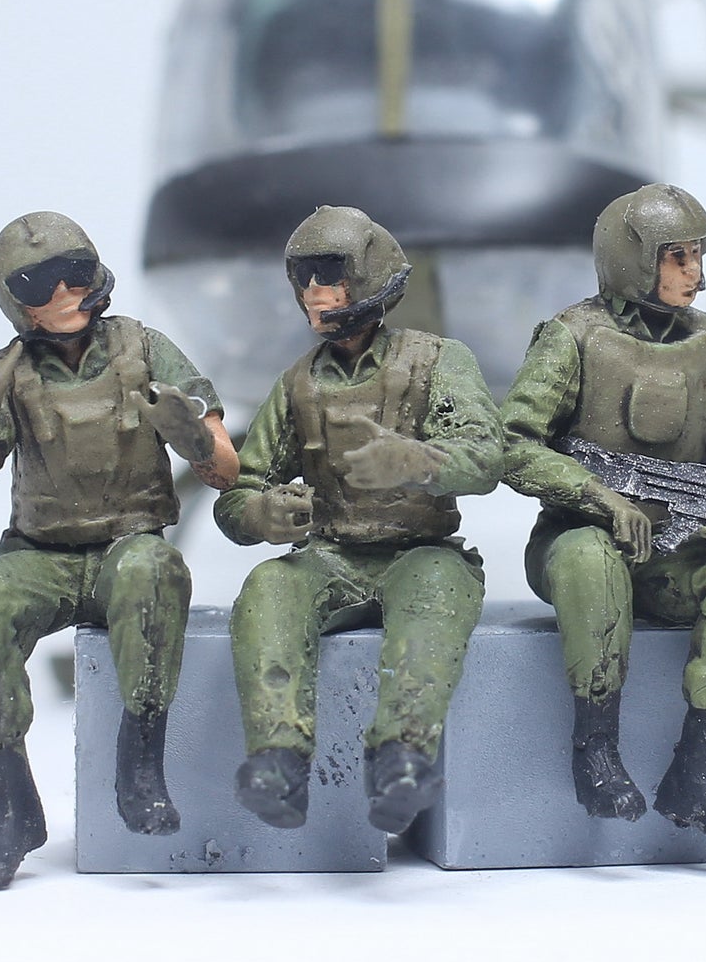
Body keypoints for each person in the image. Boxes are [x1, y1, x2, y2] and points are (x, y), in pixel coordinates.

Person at [0, 211, 238, 890]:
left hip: (127, 547)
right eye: (39, 284)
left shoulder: (144, 347)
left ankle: (140, 765)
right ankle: (10, 804)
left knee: (153, 570)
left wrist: (191, 435)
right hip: (39, 555)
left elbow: (225, 469)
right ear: (14, 300)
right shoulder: (8, 372)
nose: (64, 293)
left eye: (76, 273)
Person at [500, 184, 706, 859]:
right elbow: (512, 444)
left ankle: (699, 772)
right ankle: (595, 749)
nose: (695, 272)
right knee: (590, 559)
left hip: (672, 553)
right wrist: (601, 501)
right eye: (677, 256)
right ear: (635, 259)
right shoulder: (572, 338)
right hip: (578, 538)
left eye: (699, 254)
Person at [214, 206, 504, 835]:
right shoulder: (297, 385)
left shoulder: (437, 361)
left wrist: (419, 461)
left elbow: (487, 459)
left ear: (370, 278)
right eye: (305, 278)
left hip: (421, 551)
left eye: (331, 275)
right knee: (270, 586)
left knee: (434, 601)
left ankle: (403, 758)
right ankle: (277, 760)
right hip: (330, 556)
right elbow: (238, 495)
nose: (316, 293)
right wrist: (263, 512)